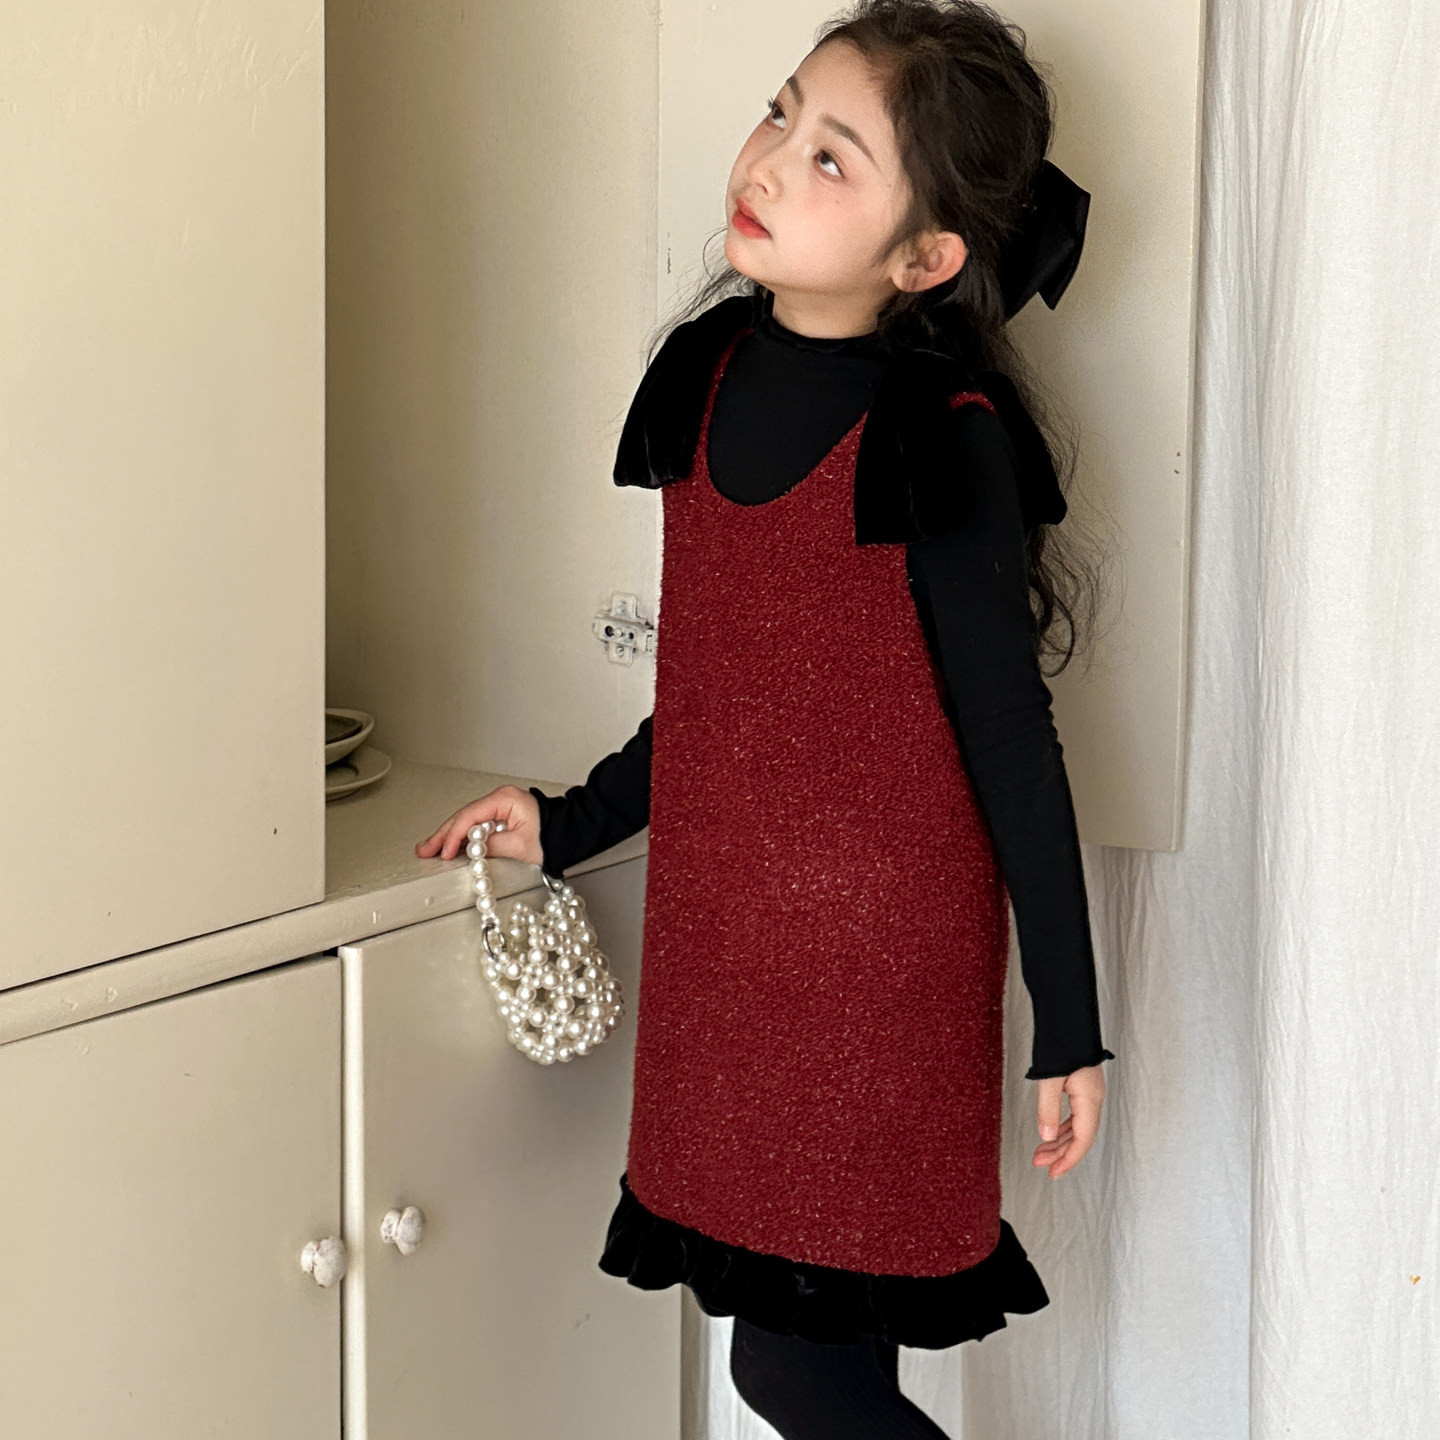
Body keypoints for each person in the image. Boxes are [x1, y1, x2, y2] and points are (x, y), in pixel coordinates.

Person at [417, 2, 1115, 1433]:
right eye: (783, 113)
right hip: (730, 959)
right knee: (798, 1366)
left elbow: (1014, 750)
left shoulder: (943, 437)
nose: (775, 159)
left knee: (788, 1371)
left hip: (878, 977)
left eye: (834, 157)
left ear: (926, 258)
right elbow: (726, 694)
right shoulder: (709, 375)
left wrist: (1071, 1023)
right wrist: (569, 818)